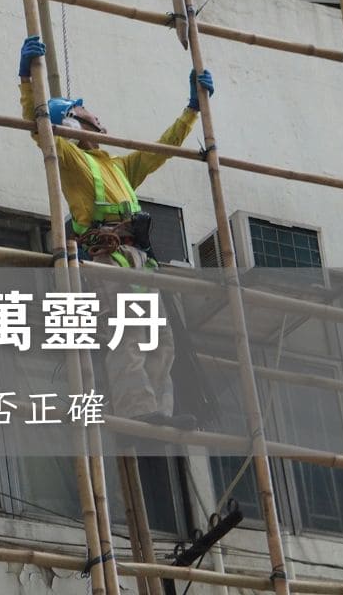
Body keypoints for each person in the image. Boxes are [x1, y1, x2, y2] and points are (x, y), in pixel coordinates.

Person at [18, 35, 214, 429]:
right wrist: (27, 80)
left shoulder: (117, 167)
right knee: (128, 337)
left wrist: (191, 111)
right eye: (85, 110)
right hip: (109, 257)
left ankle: (158, 415)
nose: (96, 115)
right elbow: (39, 126)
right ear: (72, 123)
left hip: (138, 259)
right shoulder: (72, 159)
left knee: (159, 340)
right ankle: (136, 412)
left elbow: (159, 151)